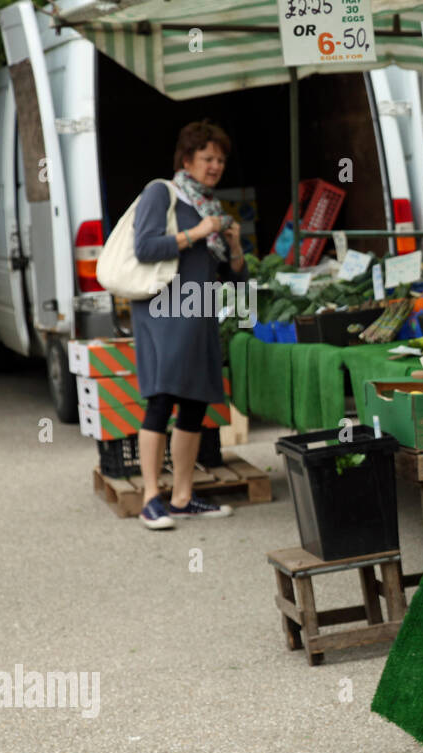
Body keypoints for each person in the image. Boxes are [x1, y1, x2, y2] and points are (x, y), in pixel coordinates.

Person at [131, 120, 247, 529]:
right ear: (187, 160)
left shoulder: (212, 207)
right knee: (161, 399)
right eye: (207, 158)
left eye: (220, 159)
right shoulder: (161, 192)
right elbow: (144, 247)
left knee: (195, 403)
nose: (215, 166)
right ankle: (150, 498)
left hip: (199, 312)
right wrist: (196, 233)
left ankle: (181, 496)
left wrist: (233, 247)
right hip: (164, 312)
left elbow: (236, 279)